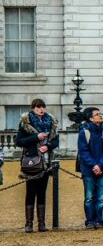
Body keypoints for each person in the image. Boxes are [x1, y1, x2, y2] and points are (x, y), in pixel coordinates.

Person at [16, 99, 58, 233]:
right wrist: (36, 137)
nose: (41, 109)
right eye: (38, 107)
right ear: (33, 108)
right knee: (30, 192)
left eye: (43, 107)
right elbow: (19, 141)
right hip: (32, 160)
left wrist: (48, 146)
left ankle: (41, 223)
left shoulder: (50, 121)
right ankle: (29, 223)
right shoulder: (26, 122)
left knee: (42, 192)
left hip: (46, 160)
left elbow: (56, 140)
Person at [77, 107, 103, 229]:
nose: (100, 115)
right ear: (91, 118)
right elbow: (83, 151)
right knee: (89, 197)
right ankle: (90, 220)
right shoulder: (84, 133)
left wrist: (100, 165)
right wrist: (94, 165)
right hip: (88, 170)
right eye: (97, 114)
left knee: (101, 198)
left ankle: (99, 220)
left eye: (100, 113)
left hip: (102, 170)